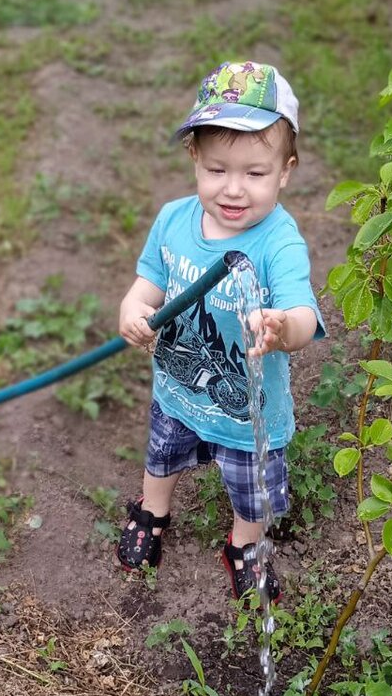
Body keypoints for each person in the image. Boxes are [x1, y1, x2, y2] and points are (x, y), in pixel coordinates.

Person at [116, 60, 325, 600]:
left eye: (255, 174)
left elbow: (304, 315)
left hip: (248, 412)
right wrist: (133, 310)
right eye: (216, 170)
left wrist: (282, 328)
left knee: (251, 493)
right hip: (178, 392)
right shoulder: (173, 220)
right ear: (194, 158)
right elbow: (148, 286)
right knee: (162, 458)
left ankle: (243, 546)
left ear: (285, 170)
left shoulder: (280, 243)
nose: (233, 190)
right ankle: (153, 511)